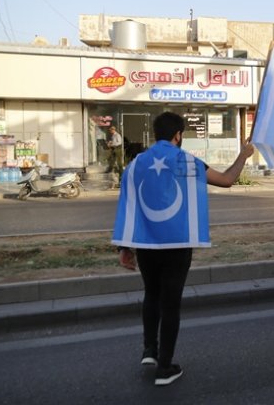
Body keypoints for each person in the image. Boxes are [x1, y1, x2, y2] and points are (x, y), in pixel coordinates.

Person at [113, 112, 254, 387]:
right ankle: (165, 368)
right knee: (171, 302)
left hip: (146, 245)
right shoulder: (188, 162)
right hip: (177, 244)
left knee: (151, 294)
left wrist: (125, 246)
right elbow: (226, 179)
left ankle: (149, 351)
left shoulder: (137, 163)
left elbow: (128, 205)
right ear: (178, 135)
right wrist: (244, 155)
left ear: (156, 134)